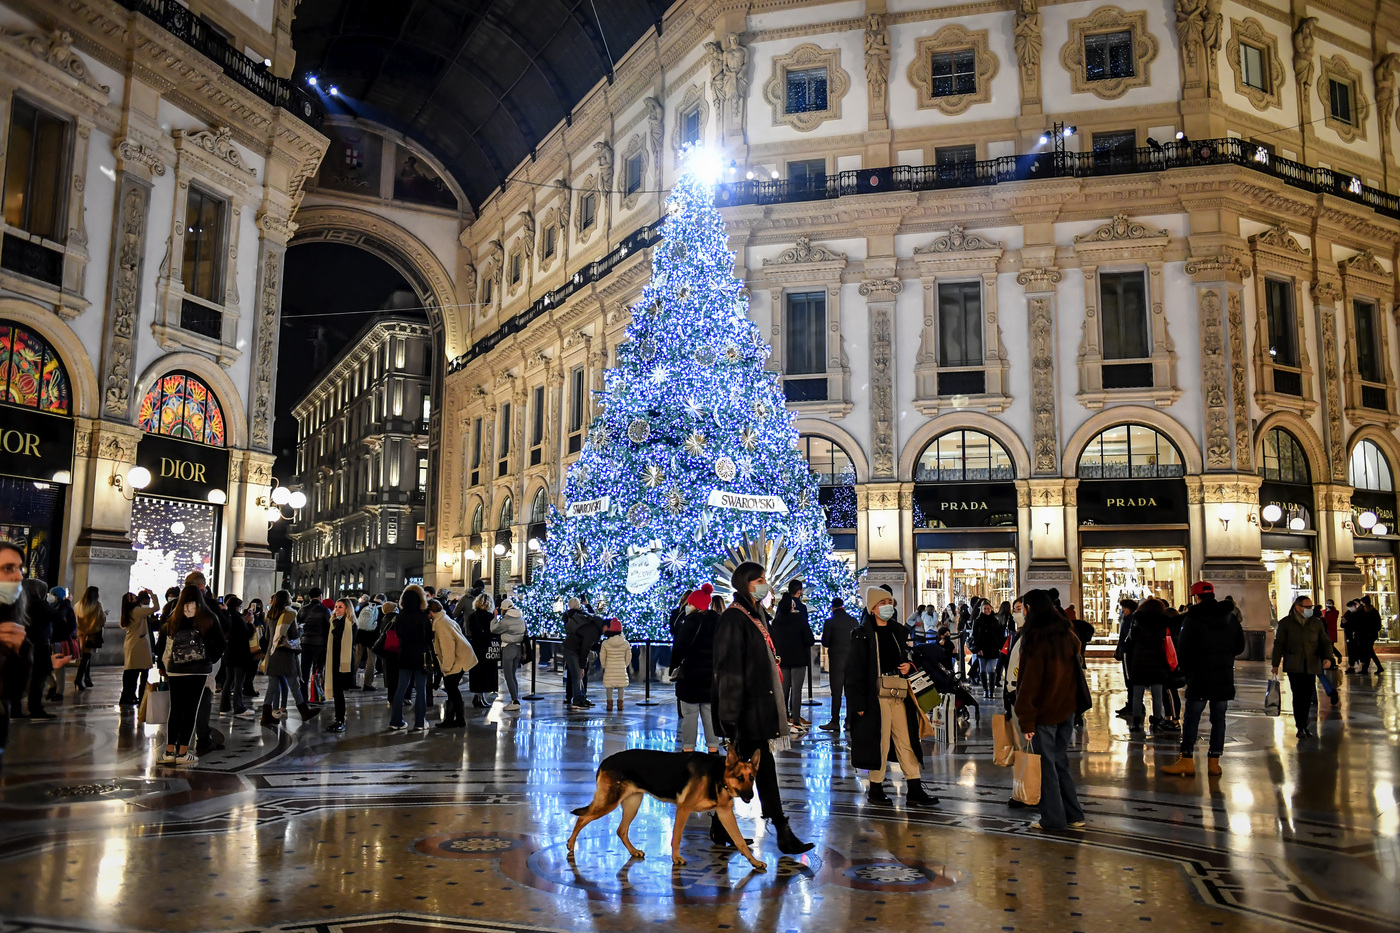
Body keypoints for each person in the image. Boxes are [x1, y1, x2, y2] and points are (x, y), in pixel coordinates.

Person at [712, 561, 814, 854]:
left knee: (752, 769)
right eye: (758, 579)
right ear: (745, 583)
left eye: (764, 579)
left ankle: (721, 826)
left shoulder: (756, 615)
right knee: (756, 770)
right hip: (745, 713)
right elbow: (729, 672)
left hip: (757, 708)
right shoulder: (734, 618)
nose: (764, 584)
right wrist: (730, 720)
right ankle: (780, 829)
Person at [845, 586, 939, 809]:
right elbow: (854, 671)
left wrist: (909, 666)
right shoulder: (862, 635)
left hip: (899, 692)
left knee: (906, 740)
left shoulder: (898, 632)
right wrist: (858, 704)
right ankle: (876, 788)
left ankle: (914, 788)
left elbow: (907, 658)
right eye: (883, 603)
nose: (888, 607)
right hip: (875, 697)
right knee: (880, 741)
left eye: (890, 602)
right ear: (872, 608)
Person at [1015, 589, 1086, 831]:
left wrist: (1026, 720)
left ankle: (1053, 819)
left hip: (1044, 712)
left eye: (1024, 608)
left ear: (1031, 609)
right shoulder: (1066, 633)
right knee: (1060, 762)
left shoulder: (1035, 637)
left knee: (1046, 767)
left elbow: (1030, 682)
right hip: (1067, 708)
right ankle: (1074, 815)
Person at [1161, 581, 1244, 776]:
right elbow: (1240, 646)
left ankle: (1187, 760)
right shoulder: (1230, 618)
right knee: (1219, 718)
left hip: (1199, 675)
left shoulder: (1193, 618)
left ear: (1195, 597)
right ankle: (1214, 762)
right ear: (1213, 594)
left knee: (1192, 718)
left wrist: (1187, 670)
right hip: (1223, 675)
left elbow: (1184, 649)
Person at [153, 585, 225, 765]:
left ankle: (169, 751)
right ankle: (183, 752)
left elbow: (162, 642)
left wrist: (162, 665)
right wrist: (209, 658)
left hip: (176, 668)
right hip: (198, 669)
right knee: (191, 709)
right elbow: (221, 643)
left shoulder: (174, 617)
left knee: (175, 709)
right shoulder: (208, 617)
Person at [1270, 593, 1332, 738]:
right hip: (1294, 665)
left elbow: (1325, 641)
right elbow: (1279, 644)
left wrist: (1328, 657)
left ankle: (1304, 725)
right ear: (1298, 608)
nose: (1311, 609)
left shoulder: (1316, 623)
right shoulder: (1286, 623)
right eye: (1308, 607)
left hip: (1311, 664)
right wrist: (1275, 663)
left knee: (1308, 696)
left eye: (1311, 606)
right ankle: (1300, 726)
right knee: (1298, 695)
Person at [260, 590, 319, 728]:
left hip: (272, 654)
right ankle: (304, 711)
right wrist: (300, 629)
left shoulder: (270, 615)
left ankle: (266, 715)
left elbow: (268, 637)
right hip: (285, 655)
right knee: (294, 684)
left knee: (272, 686)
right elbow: (293, 635)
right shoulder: (289, 614)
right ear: (287, 600)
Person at [672, 587, 720, 752]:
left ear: (695, 605)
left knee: (690, 716)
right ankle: (713, 750)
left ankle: (688, 750)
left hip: (690, 678)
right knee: (710, 715)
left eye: (689, 603)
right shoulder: (718, 622)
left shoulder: (690, 622)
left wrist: (674, 667)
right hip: (711, 678)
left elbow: (679, 648)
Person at [1121, 598, 1172, 732]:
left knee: (1137, 693)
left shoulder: (1137, 618)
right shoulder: (1162, 620)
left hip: (1139, 660)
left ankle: (1136, 723)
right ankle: (1156, 719)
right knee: (1157, 693)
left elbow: (1130, 639)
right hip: (1157, 659)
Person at [772, 579, 814, 732]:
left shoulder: (776, 623)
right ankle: (795, 721)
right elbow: (809, 639)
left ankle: (782, 720)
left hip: (782, 660)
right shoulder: (800, 620)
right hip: (798, 660)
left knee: (784, 690)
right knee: (796, 691)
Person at [388, 585, 432, 732]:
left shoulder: (399, 617)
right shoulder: (423, 617)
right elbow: (430, 637)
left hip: (404, 655)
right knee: (421, 689)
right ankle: (420, 722)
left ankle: (396, 721)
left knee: (401, 688)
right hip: (421, 656)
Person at [431, 596, 474, 729]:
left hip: (456, 660)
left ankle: (455, 719)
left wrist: (446, 667)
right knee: (452, 690)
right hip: (461, 657)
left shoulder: (441, 624)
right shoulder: (445, 619)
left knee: (452, 689)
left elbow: (448, 648)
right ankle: (456, 719)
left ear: (431, 612)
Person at [820, 596, 859, 732]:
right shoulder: (853, 621)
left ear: (832, 608)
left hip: (836, 661)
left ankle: (835, 721)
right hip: (852, 660)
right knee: (850, 692)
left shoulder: (830, 622)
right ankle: (849, 721)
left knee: (836, 693)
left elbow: (825, 642)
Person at [561, 597, 603, 711]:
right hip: (573, 648)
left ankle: (579, 697)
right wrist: (582, 665)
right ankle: (578, 700)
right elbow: (585, 648)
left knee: (576, 675)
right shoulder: (588, 622)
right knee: (578, 675)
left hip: (574, 647)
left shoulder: (568, 616)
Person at [324, 598, 358, 732]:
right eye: (336, 607)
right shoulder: (334, 622)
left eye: (340, 607)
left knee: (339, 692)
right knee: (337, 692)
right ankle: (338, 719)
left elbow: (341, 638)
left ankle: (340, 720)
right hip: (334, 660)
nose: (336, 610)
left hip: (344, 663)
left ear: (347, 609)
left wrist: (336, 624)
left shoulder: (350, 624)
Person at [217, 594, 255, 719]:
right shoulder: (238, 618)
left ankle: (224, 707)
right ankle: (238, 707)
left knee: (229, 681)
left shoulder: (226, 617)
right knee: (239, 681)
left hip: (229, 653)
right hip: (240, 654)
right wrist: (250, 623)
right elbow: (246, 634)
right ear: (238, 606)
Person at [119, 591, 156, 707]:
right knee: (138, 671)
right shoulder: (136, 611)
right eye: (134, 598)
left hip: (132, 644)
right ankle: (135, 696)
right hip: (138, 645)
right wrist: (153, 595)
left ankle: (128, 695)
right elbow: (156, 608)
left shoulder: (128, 612)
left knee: (131, 671)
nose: (136, 598)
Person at [491, 594, 527, 710]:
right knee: (513, 675)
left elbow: (494, 629)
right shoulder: (521, 619)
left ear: (504, 609)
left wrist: (495, 618)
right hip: (519, 648)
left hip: (508, 648)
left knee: (508, 675)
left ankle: (514, 701)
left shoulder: (506, 620)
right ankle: (515, 699)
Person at [296, 588, 331, 703]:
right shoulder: (325, 610)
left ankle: (303, 696)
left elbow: (299, 623)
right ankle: (316, 695)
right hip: (319, 644)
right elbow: (328, 627)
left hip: (305, 643)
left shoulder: (303, 609)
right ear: (320, 596)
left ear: (309, 597)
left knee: (304, 670)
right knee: (318, 670)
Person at [466, 594, 498, 709]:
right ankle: (481, 697)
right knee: (486, 673)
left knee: (476, 672)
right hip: (487, 647)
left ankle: (478, 696)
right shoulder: (490, 617)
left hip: (475, 646)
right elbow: (494, 631)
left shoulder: (471, 616)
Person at [73, 586, 105, 693]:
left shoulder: (78, 605)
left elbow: (75, 619)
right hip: (91, 635)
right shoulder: (96, 606)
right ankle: (78, 679)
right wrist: (105, 615)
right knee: (86, 658)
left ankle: (87, 678)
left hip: (80, 634)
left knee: (85, 656)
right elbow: (99, 620)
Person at [972, 600, 1003, 699]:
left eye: (988, 608)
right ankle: (985, 690)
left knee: (991, 669)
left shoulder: (995, 621)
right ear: (981, 610)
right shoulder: (977, 621)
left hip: (993, 648)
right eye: (984, 609)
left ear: (992, 609)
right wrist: (978, 648)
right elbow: (975, 635)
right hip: (982, 648)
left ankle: (991, 690)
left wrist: (999, 646)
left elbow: (999, 635)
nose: (986, 610)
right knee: (983, 669)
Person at [600, 618, 631, 711]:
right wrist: (625, 665)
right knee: (621, 686)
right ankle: (620, 704)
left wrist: (604, 665)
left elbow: (602, 656)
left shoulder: (605, 643)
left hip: (609, 667)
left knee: (609, 686)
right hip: (621, 667)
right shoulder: (626, 643)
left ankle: (609, 705)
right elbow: (628, 657)